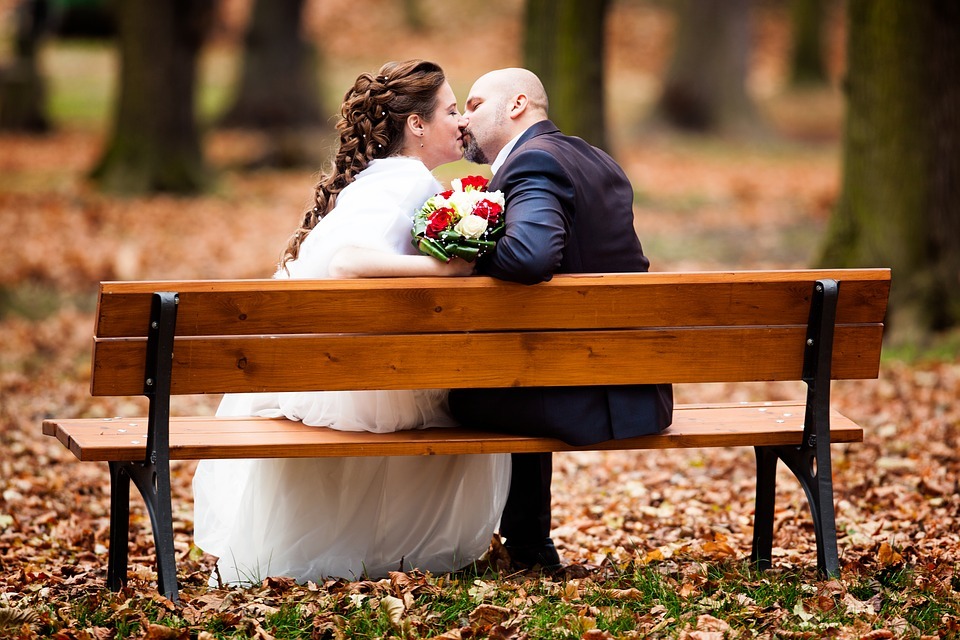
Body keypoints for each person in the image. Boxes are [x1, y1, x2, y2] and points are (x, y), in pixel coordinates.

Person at [192, 60, 510, 585]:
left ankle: (353, 553)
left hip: (323, 359)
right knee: (471, 411)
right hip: (343, 370)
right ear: (417, 125)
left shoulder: (384, 178)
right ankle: (389, 554)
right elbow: (345, 262)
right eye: (452, 112)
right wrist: (444, 267)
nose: (462, 124)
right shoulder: (405, 181)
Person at [448, 68, 674, 571]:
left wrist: (460, 252)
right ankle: (528, 543)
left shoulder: (532, 164)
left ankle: (448, 545)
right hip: (634, 387)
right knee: (518, 369)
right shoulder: (595, 157)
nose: (464, 117)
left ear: (518, 105)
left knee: (451, 395)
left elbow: (530, 256)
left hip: (579, 393)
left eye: (476, 103)